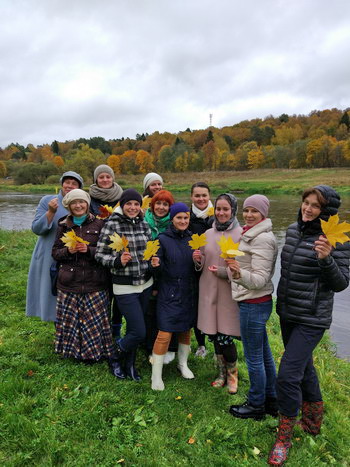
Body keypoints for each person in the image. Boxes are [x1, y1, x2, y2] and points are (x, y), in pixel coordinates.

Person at [268, 185, 350, 466]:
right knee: (304, 368)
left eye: (315, 206)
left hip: (313, 317)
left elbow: (340, 284)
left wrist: (326, 259)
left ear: (325, 212)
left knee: (288, 376)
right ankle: (313, 423)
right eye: (305, 202)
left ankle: (284, 437)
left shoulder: (337, 238)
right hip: (288, 313)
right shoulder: (292, 230)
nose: (307, 208)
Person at [226, 195, 278, 420]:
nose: (248, 214)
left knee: (253, 358)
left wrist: (238, 274)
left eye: (254, 211)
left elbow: (259, 279)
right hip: (255, 301)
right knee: (264, 354)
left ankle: (256, 405)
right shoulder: (251, 233)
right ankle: (271, 400)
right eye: (246, 210)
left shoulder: (262, 239)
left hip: (253, 302)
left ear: (263, 214)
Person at [95, 189, 153, 381]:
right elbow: (100, 254)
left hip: (145, 283)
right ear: (122, 204)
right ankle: (113, 355)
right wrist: (118, 261)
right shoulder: (112, 223)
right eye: (129, 204)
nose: (133, 207)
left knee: (133, 330)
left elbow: (151, 249)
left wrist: (153, 260)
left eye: (136, 204)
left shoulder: (144, 223)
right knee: (139, 331)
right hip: (124, 285)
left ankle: (129, 364)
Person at [52, 189, 115, 363]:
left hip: (95, 281)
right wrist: (68, 251)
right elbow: (55, 253)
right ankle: (72, 351)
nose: (78, 205)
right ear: (69, 206)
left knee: (93, 321)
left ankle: (94, 353)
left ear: (87, 204)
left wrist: (89, 250)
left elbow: (108, 251)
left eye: (82, 202)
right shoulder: (63, 225)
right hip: (69, 281)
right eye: (74, 203)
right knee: (71, 320)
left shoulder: (100, 224)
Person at [193, 193, 242, 394]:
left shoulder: (241, 234)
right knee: (214, 336)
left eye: (225, 209)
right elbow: (202, 261)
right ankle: (220, 374)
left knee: (226, 337)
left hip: (228, 295)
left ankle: (232, 376)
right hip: (208, 292)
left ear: (233, 211)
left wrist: (225, 272)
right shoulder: (207, 234)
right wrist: (197, 259)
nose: (221, 213)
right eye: (219, 209)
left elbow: (243, 267)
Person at [150, 203, 198, 390]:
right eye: (179, 217)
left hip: (188, 291)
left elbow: (197, 269)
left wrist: (199, 262)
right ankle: (156, 376)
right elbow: (157, 269)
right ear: (172, 219)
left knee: (186, 329)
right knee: (165, 332)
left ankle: (182, 364)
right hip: (169, 291)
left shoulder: (193, 239)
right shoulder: (162, 239)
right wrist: (155, 264)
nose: (183, 221)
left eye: (186, 218)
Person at [26, 171, 83, 322]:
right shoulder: (47, 201)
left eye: (74, 183)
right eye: (67, 182)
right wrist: (51, 212)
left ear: (79, 187)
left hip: (71, 256)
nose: (69, 186)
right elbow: (37, 229)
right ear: (62, 184)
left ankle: (67, 327)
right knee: (49, 292)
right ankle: (57, 327)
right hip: (48, 255)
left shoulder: (80, 204)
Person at [89, 164, 123, 339]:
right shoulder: (89, 199)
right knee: (101, 296)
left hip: (119, 252)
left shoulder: (122, 197)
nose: (105, 180)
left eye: (107, 177)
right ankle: (101, 332)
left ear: (112, 178)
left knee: (118, 296)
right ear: (96, 179)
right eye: (101, 177)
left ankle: (116, 332)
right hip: (97, 252)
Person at [143, 190, 176, 361]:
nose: (161, 207)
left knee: (165, 311)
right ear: (152, 205)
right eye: (159, 203)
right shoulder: (143, 222)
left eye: (165, 204)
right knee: (149, 312)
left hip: (166, 274)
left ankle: (169, 347)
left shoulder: (174, 224)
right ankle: (149, 347)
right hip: (145, 272)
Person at [189, 182, 214, 358]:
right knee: (197, 305)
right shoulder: (186, 217)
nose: (201, 199)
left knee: (215, 305)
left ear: (209, 196)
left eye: (204, 195)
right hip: (194, 268)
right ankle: (201, 344)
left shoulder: (218, 215)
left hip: (214, 267)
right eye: (197, 195)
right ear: (192, 197)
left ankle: (218, 344)